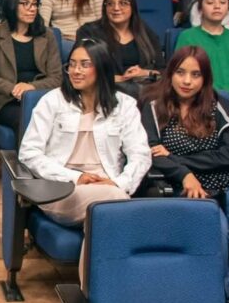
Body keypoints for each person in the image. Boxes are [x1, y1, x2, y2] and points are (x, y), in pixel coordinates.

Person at [141, 45, 229, 287]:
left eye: (196, 75)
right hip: (187, 186)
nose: (187, 81)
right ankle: (212, 296)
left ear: (205, 78)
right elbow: (152, 153)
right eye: (181, 72)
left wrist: (177, 158)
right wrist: (184, 175)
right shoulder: (153, 107)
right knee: (217, 234)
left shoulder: (220, 106)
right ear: (170, 73)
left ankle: (228, 294)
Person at [18, 39, 151, 226]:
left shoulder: (125, 105)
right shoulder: (52, 101)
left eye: (84, 65)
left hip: (109, 186)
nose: (76, 71)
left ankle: (93, 244)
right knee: (114, 206)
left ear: (102, 67)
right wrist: (76, 177)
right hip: (61, 189)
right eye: (72, 64)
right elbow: (29, 153)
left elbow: (140, 154)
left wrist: (119, 183)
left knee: (104, 214)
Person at [0, 0, 62, 147]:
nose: (32, 9)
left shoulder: (47, 35)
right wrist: (12, 88)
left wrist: (31, 87)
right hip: (6, 101)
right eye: (25, 4)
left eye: (34, 4)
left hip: (40, 97)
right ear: (12, 5)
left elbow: (56, 77)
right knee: (25, 117)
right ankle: (25, 162)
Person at [76, 0, 162, 98]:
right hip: (104, 91)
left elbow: (163, 71)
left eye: (123, 3)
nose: (116, 8)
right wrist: (120, 79)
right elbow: (80, 69)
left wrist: (145, 73)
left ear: (133, 7)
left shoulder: (145, 32)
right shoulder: (89, 32)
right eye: (110, 4)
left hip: (143, 89)